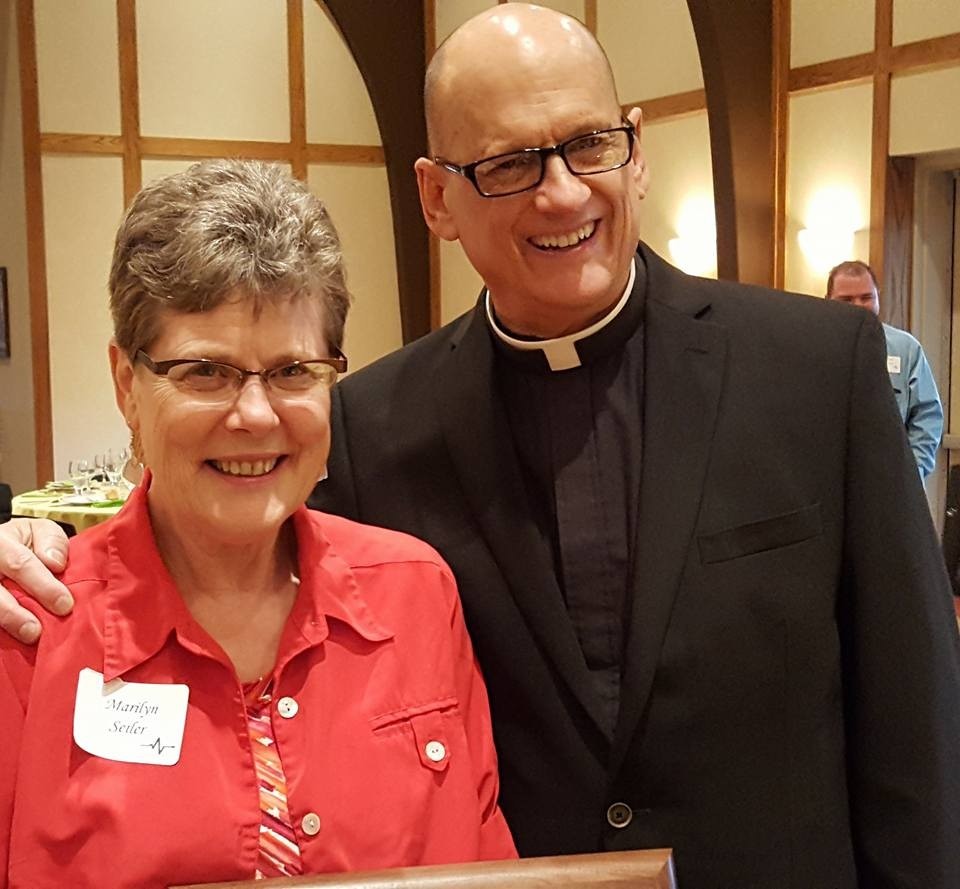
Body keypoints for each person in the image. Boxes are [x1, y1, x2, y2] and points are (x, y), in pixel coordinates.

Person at [1, 5, 959, 887]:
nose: (560, 192)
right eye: (508, 164)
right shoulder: (374, 424)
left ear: (636, 150)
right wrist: (36, 554)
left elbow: (916, 722)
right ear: (434, 196)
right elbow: (239, 568)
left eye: (591, 144)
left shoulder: (815, 368)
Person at [0, 160, 515, 889]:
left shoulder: (416, 596)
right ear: (127, 385)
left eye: (292, 371)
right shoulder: (28, 634)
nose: (255, 415)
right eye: (205, 372)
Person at [826, 259, 943, 480]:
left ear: (878, 297)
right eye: (846, 299)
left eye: (867, 297)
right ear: (827, 301)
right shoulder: (812, 348)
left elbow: (927, 417)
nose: (858, 306)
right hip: (829, 481)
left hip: (890, 482)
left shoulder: (906, 349)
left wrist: (912, 475)